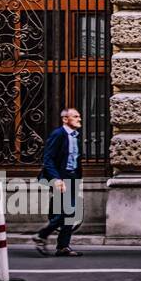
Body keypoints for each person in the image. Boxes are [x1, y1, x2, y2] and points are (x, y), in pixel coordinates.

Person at [34, 108, 84, 257]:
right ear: (65, 119)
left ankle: (62, 246)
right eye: (75, 116)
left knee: (70, 213)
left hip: (72, 177)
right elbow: (48, 159)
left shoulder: (75, 136)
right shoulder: (58, 134)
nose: (79, 119)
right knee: (67, 212)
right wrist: (56, 179)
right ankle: (42, 235)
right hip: (60, 178)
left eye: (79, 116)